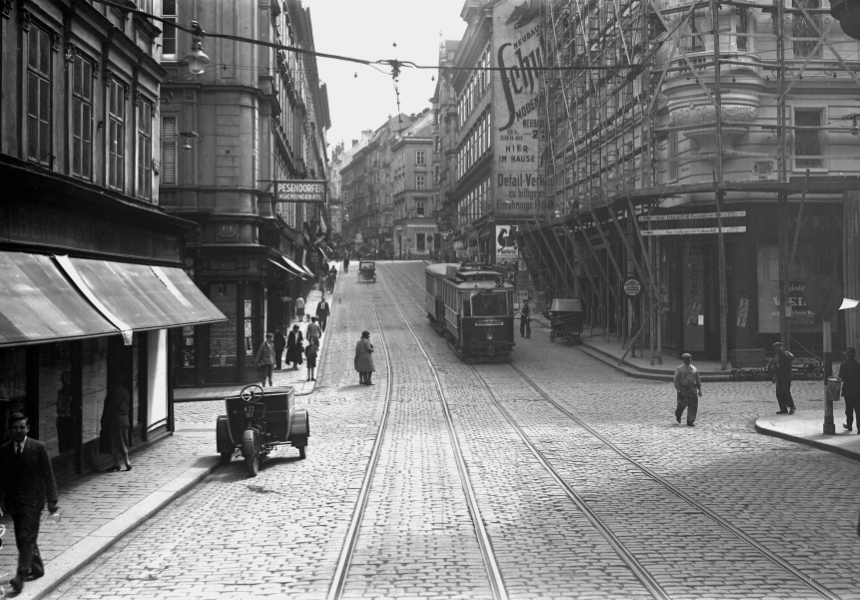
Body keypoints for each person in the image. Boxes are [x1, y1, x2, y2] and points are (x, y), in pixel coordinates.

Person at [0, 412, 59, 593]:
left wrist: (52, 499)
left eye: (22, 427)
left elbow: (48, 474)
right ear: (9, 430)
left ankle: (20, 577)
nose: (19, 431)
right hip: (15, 503)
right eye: (15, 428)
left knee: (26, 538)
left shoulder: (38, 447)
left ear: (28, 428)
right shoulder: (4, 450)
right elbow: (2, 479)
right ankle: (38, 568)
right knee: (23, 539)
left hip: (34, 502)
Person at [101, 373, 132, 472]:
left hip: (115, 420)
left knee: (115, 442)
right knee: (124, 441)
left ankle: (121, 463)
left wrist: (103, 421)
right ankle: (123, 462)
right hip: (125, 419)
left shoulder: (113, 393)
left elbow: (108, 409)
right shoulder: (126, 391)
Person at [674, 352, 702, 426]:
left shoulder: (694, 368)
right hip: (683, 389)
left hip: (692, 389)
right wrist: (678, 389)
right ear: (684, 360)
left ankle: (690, 420)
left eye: (690, 359)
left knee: (693, 405)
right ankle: (678, 414)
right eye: (688, 359)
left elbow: (697, 378)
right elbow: (676, 380)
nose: (690, 360)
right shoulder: (680, 369)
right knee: (682, 404)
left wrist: (699, 389)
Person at [771, 342, 796, 415]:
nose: (778, 348)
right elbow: (775, 367)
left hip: (786, 374)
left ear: (782, 347)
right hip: (779, 375)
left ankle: (792, 406)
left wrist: (788, 354)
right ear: (775, 349)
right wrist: (774, 376)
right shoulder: (776, 356)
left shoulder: (786, 353)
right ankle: (783, 408)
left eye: (779, 346)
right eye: (776, 347)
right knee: (778, 392)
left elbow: (793, 357)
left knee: (785, 390)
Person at [839, 347, 860, 432]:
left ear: (847, 355)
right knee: (858, 410)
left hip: (848, 390)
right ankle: (859, 427)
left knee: (849, 409)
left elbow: (841, 378)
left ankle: (849, 425)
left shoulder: (844, 365)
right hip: (858, 390)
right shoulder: (858, 365)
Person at [56, 370, 74, 454]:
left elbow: (59, 408)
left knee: (64, 444)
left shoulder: (63, 391)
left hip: (65, 419)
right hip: (66, 419)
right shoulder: (65, 391)